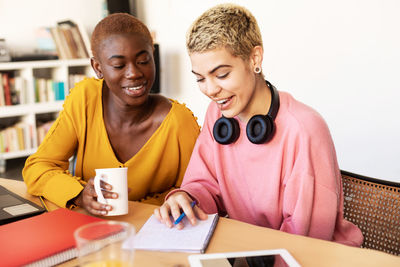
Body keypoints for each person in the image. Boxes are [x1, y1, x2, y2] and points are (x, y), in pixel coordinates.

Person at [155, 3, 363, 246]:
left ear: (254, 58)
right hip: (256, 253)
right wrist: (185, 198)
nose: (210, 90)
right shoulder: (218, 116)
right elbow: (205, 184)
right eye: (200, 78)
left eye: (221, 75)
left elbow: (305, 240)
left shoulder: (304, 129)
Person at [23, 13, 200, 216]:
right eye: (119, 65)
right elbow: (39, 167)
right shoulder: (85, 99)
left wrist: (171, 201)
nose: (134, 73)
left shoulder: (179, 122)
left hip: (155, 231)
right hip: (90, 231)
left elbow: (195, 189)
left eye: (143, 61)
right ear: (98, 68)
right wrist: (80, 194)